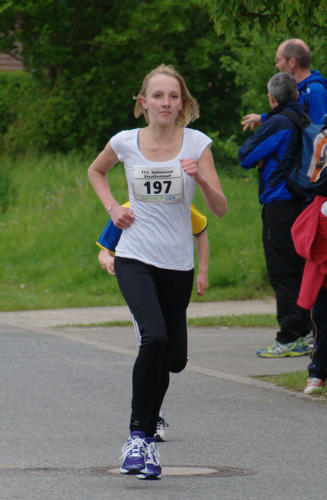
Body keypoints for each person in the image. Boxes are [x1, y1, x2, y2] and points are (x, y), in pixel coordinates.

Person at [88, 63, 227, 480]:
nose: (165, 103)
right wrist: (113, 208)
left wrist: (200, 180)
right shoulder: (125, 142)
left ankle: (145, 437)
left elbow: (219, 209)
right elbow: (96, 172)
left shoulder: (198, 143)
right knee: (155, 336)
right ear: (143, 102)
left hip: (177, 264)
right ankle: (140, 439)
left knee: (173, 359)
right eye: (158, 96)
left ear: (182, 103)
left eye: (173, 96)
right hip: (134, 257)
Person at [96, 202, 210, 440]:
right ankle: (149, 419)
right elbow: (104, 249)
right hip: (142, 287)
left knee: (175, 361)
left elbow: (200, 230)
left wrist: (203, 271)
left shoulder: (180, 205)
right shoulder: (127, 208)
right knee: (155, 344)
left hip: (173, 282)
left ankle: (150, 414)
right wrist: (106, 259)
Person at [239, 72, 312, 358]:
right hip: (304, 203)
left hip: (279, 204)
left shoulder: (278, 122)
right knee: (302, 270)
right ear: (296, 94)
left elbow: (245, 155)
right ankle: (308, 333)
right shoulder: (303, 120)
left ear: (271, 98)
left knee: (282, 273)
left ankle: (290, 336)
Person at [291, 169, 327, 393]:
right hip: (324, 279)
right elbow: (307, 244)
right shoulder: (320, 208)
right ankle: (317, 372)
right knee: (323, 323)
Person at [242, 38, 327, 131]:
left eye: (278, 60)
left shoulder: (315, 91)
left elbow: (320, 135)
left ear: (292, 62)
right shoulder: (297, 89)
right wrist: (262, 118)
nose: (276, 65)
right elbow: (291, 116)